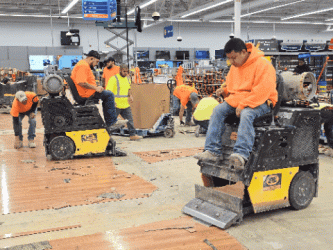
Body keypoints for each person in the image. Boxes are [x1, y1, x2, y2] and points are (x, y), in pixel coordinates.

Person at [194, 38, 278, 170]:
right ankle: (213, 151)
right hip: (240, 100)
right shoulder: (235, 67)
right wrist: (225, 91)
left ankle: (241, 154)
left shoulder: (263, 65)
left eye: (234, 58)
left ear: (244, 52)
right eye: (229, 59)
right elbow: (235, 89)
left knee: (246, 114)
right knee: (217, 110)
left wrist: (244, 104)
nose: (232, 62)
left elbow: (262, 92)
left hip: (262, 100)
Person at [71, 50, 127, 133]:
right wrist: (95, 88)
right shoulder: (83, 66)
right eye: (96, 62)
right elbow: (81, 82)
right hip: (86, 93)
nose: (96, 64)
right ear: (91, 58)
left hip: (88, 91)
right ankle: (111, 122)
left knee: (106, 94)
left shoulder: (83, 64)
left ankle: (110, 121)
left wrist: (96, 87)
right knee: (109, 95)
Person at [106, 64, 143, 141]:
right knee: (111, 121)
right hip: (115, 104)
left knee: (130, 120)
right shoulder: (114, 79)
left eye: (127, 71)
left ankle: (132, 135)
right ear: (120, 70)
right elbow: (109, 91)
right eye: (124, 71)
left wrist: (131, 96)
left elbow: (128, 89)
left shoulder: (127, 79)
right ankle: (105, 136)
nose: (125, 73)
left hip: (125, 104)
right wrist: (111, 102)